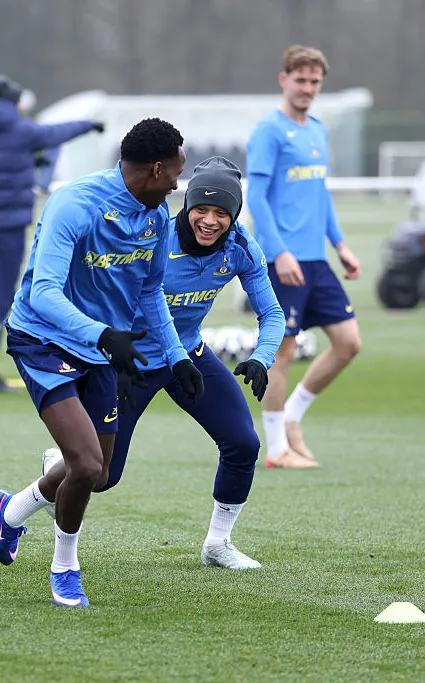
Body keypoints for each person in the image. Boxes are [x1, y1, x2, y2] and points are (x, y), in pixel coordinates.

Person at [0, 118, 204, 607]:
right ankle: (64, 569)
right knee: (83, 463)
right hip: (43, 341)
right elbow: (42, 294)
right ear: (154, 169)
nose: (177, 184)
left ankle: (12, 511)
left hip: (99, 348)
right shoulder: (75, 204)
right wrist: (104, 335)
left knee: (98, 473)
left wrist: (176, 357)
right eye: (174, 173)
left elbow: (150, 292)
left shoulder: (156, 218)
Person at [39, 157, 285, 570]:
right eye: (201, 210)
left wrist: (262, 358)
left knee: (243, 444)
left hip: (188, 357)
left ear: (235, 215)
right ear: (185, 206)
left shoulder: (242, 247)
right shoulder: (153, 238)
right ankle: (59, 462)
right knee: (101, 477)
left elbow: (273, 314)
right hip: (129, 364)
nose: (209, 220)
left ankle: (218, 544)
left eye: (221, 213)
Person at [246, 45, 362, 469]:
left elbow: (320, 195)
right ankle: (276, 448)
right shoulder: (269, 132)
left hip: (316, 259)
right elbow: (256, 196)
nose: (308, 88)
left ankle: (293, 417)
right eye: (301, 79)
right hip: (285, 260)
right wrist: (279, 253)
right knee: (283, 352)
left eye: (315, 82)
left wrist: (341, 245)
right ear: (284, 79)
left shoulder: (317, 130)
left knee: (349, 343)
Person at [0, 74, 105, 392]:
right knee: (1, 300)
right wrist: (88, 125)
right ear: (14, 102)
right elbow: (56, 133)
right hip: (9, 228)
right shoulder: (22, 130)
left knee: (0, 297)